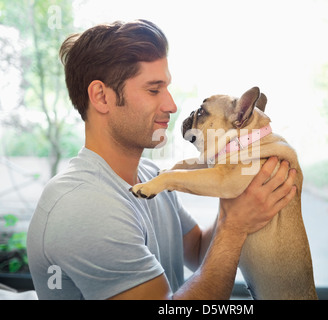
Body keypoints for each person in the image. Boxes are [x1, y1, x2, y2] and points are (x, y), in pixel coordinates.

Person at [27, 19, 297, 300]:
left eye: (167, 88)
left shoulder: (150, 174)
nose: (171, 105)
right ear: (101, 97)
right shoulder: (83, 206)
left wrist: (239, 188)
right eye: (153, 90)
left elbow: (196, 250)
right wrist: (235, 227)